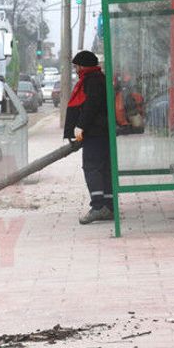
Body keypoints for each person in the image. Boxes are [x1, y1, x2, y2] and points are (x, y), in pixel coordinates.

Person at [64, 50, 114, 225]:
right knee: (103, 169)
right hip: (100, 132)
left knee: (92, 167)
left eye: (77, 66)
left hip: (95, 132)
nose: (76, 70)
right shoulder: (97, 78)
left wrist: (80, 126)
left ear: (84, 66)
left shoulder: (92, 81)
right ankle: (108, 205)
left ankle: (99, 206)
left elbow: (91, 105)